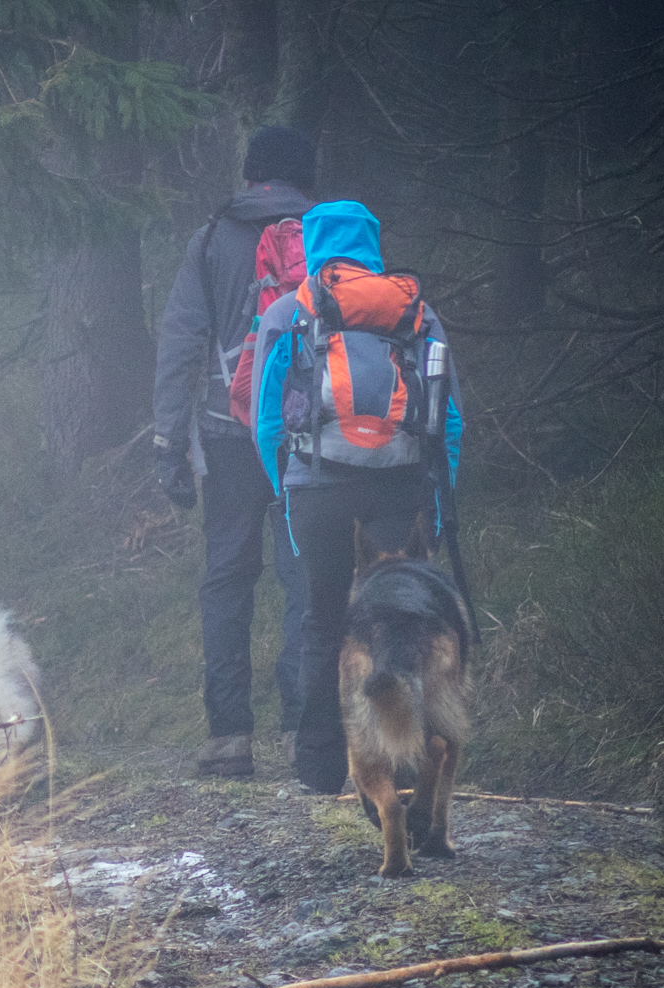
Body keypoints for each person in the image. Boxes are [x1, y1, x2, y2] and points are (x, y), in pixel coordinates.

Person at [250, 199, 464, 794]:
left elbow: (267, 422)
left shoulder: (293, 312)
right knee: (397, 623)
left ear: (314, 244)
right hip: (399, 490)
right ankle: (397, 766)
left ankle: (320, 764)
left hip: (319, 491)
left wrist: (286, 492)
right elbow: (449, 422)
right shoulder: (415, 312)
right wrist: (438, 507)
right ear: (372, 241)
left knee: (322, 619)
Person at [152, 125, 317, 779]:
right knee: (305, 574)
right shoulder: (330, 234)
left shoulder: (213, 238)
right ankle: (311, 727)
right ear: (306, 179)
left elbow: (181, 343)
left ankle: (230, 740)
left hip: (228, 433)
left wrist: (168, 443)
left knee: (227, 578)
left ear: (250, 176)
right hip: (311, 437)